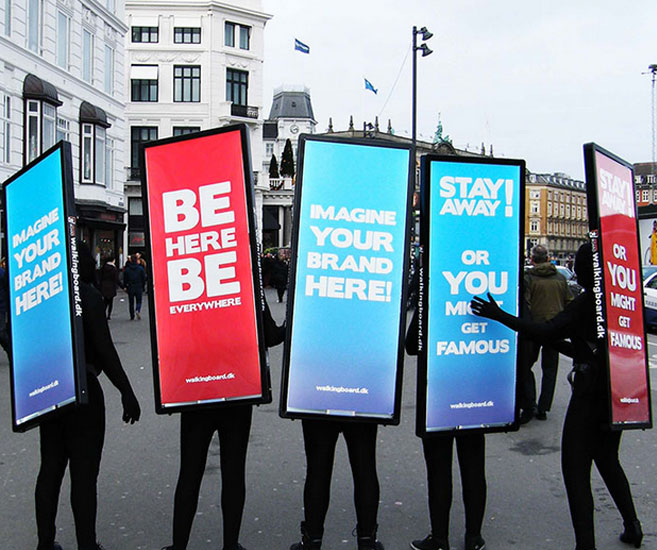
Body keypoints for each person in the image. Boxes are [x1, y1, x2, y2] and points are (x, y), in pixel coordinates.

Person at [471, 242, 643, 550]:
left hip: (588, 397)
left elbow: (547, 331)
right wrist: (568, 349)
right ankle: (633, 525)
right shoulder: (617, 303)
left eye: (579, 266)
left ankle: (585, 544)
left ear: (587, 272)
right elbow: (588, 349)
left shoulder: (585, 304)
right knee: (608, 459)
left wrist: (500, 316)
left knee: (576, 469)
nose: (575, 272)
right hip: (616, 393)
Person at [35, 240, 141, 550]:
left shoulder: (47, 297)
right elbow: (105, 351)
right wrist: (126, 391)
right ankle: (86, 543)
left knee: (50, 468)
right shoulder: (88, 297)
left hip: (53, 387)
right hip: (85, 389)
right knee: (83, 475)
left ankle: (45, 541)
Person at [161, 301, 285, 550]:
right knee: (234, 471)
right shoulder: (249, 286)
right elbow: (270, 335)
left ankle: (179, 545)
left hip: (198, 389)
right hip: (238, 390)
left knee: (189, 471)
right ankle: (230, 543)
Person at [405, 293, 487, 550]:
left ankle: (439, 537)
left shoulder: (433, 299)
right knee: (474, 468)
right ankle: (474, 536)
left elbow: (411, 345)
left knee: (439, 470)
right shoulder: (482, 301)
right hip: (473, 394)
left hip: (438, 395)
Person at [520, 245, 572, 423]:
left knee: (526, 366)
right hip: (555, 329)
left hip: (533, 329)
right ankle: (543, 408)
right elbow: (569, 302)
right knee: (550, 369)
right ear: (548, 258)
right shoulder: (560, 278)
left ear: (532, 259)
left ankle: (529, 403)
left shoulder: (529, 278)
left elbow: (525, 304)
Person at [122, 256, 146, 320]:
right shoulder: (140, 269)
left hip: (130, 286)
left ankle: (132, 315)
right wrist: (143, 286)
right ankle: (138, 309)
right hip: (138, 286)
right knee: (139, 300)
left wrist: (125, 286)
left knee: (131, 302)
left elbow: (125, 279)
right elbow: (143, 278)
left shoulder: (127, 269)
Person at [99, 256, 121, 320]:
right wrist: (122, 286)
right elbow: (116, 279)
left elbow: (100, 277)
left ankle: (103, 313)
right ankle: (109, 315)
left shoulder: (103, 268)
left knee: (105, 301)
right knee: (110, 302)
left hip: (104, 286)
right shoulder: (114, 269)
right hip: (111, 287)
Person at [0, 257, 11, 361]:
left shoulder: (1, 273)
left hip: (1, 307)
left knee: (1, 333)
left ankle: (10, 351)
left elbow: (7, 288)